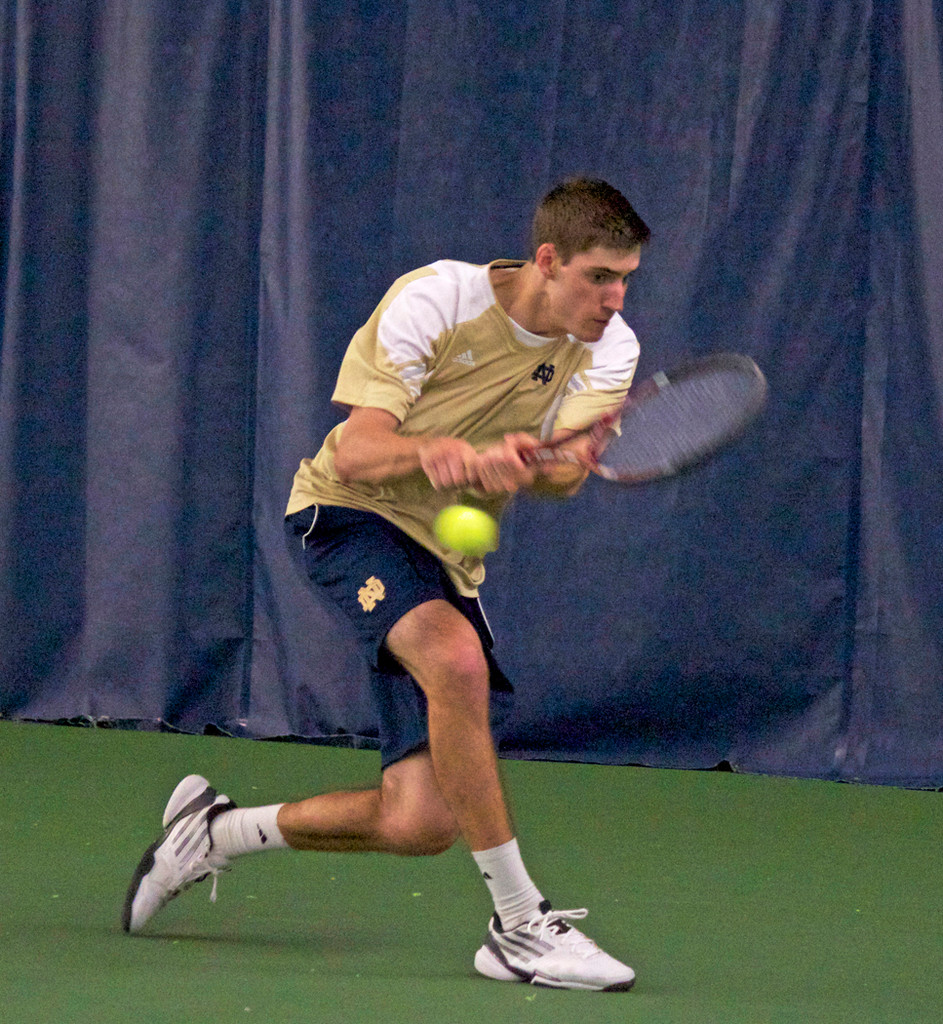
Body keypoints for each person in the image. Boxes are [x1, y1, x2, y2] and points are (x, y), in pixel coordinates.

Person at [122, 178, 650, 992]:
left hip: (442, 555)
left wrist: (536, 460)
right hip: (348, 512)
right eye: (598, 276)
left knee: (420, 822)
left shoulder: (609, 348)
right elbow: (359, 449)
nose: (614, 298)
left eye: (625, 279)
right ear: (548, 261)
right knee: (457, 662)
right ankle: (518, 926)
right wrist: (428, 449)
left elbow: (565, 479)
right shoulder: (437, 297)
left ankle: (217, 833)